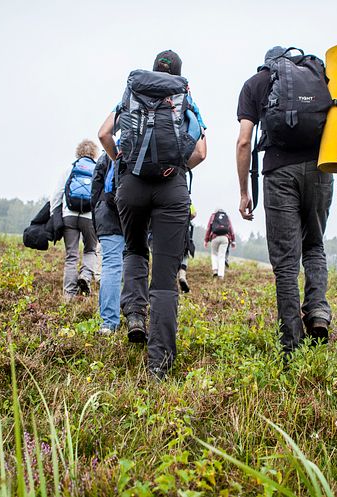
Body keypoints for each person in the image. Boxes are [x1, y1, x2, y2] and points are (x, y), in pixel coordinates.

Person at [98, 49, 207, 379]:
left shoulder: (134, 91)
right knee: (164, 279)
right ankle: (159, 365)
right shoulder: (185, 96)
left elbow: (104, 133)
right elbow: (201, 151)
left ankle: (133, 315)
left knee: (133, 249)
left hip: (131, 185)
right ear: (178, 72)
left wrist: (122, 161)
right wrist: (173, 169)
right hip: (171, 189)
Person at [235, 46, 334, 353]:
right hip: (320, 169)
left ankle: (291, 345)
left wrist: (243, 192)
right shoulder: (320, 79)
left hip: (278, 173)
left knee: (285, 263)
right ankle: (317, 310)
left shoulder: (256, 83)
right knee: (314, 243)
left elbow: (243, 142)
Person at [50, 139, 100, 300]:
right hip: (89, 217)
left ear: (78, 152)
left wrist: (55, 216)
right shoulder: (97, 169)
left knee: (71, 255)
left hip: (69, 216)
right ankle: (85, 276)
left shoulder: (70, 169)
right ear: (95, 153)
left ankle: (69, 295)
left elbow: (56, 195)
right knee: (90, 250)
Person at [91, 152, 123, 334]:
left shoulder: (107, 155)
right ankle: (131, 313)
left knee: (111, 266)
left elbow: (95, 189)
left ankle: (109, 322)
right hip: (132, 216)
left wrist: (96, 215)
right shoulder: (142, 149)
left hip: (107, 214)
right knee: (131, 266)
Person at [204, 208, 235, 279]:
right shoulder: (226, 217)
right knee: (222, 256)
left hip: (215, 237)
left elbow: (209, 227)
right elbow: (231, 229)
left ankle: (215, 270)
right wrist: (233, 241)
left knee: (214, 254)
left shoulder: (213, 216)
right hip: (225, 238)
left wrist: (206, 240)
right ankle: (221, 275)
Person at [178, 203, 197, 293]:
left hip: (170, 233)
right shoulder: (187, 200)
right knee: (185, 255)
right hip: (185, 234)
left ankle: (169, 283)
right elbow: (193, 213)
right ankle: (182, 275)